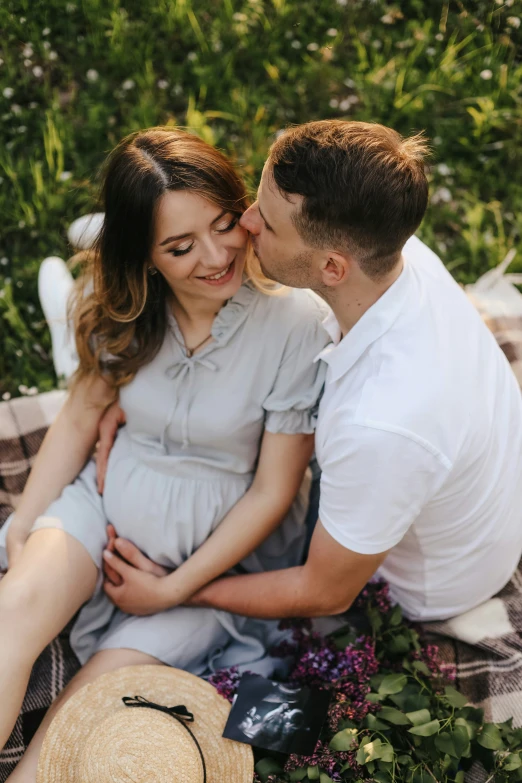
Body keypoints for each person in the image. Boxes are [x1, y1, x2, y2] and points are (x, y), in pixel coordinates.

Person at [100, 120, 522, 630]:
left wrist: (174, 593)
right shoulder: (388, 245)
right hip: (450, 496)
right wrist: (149, 394)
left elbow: (324, 592)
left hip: (422, 584)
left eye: (267, 225)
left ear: (332, 270)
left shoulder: (378, 423)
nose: (247, 223)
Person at [0, 127, 330, 776]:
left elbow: (274, 491)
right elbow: (80, 414)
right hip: (103, 505)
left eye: (225, 223)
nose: (216, 256)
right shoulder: (123, 301)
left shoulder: (294, 321)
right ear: (145, 257)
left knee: (88, 708)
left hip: (203, 571)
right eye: (180, 246)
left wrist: (172, 589)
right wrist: (26, 527)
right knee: (16, 606)